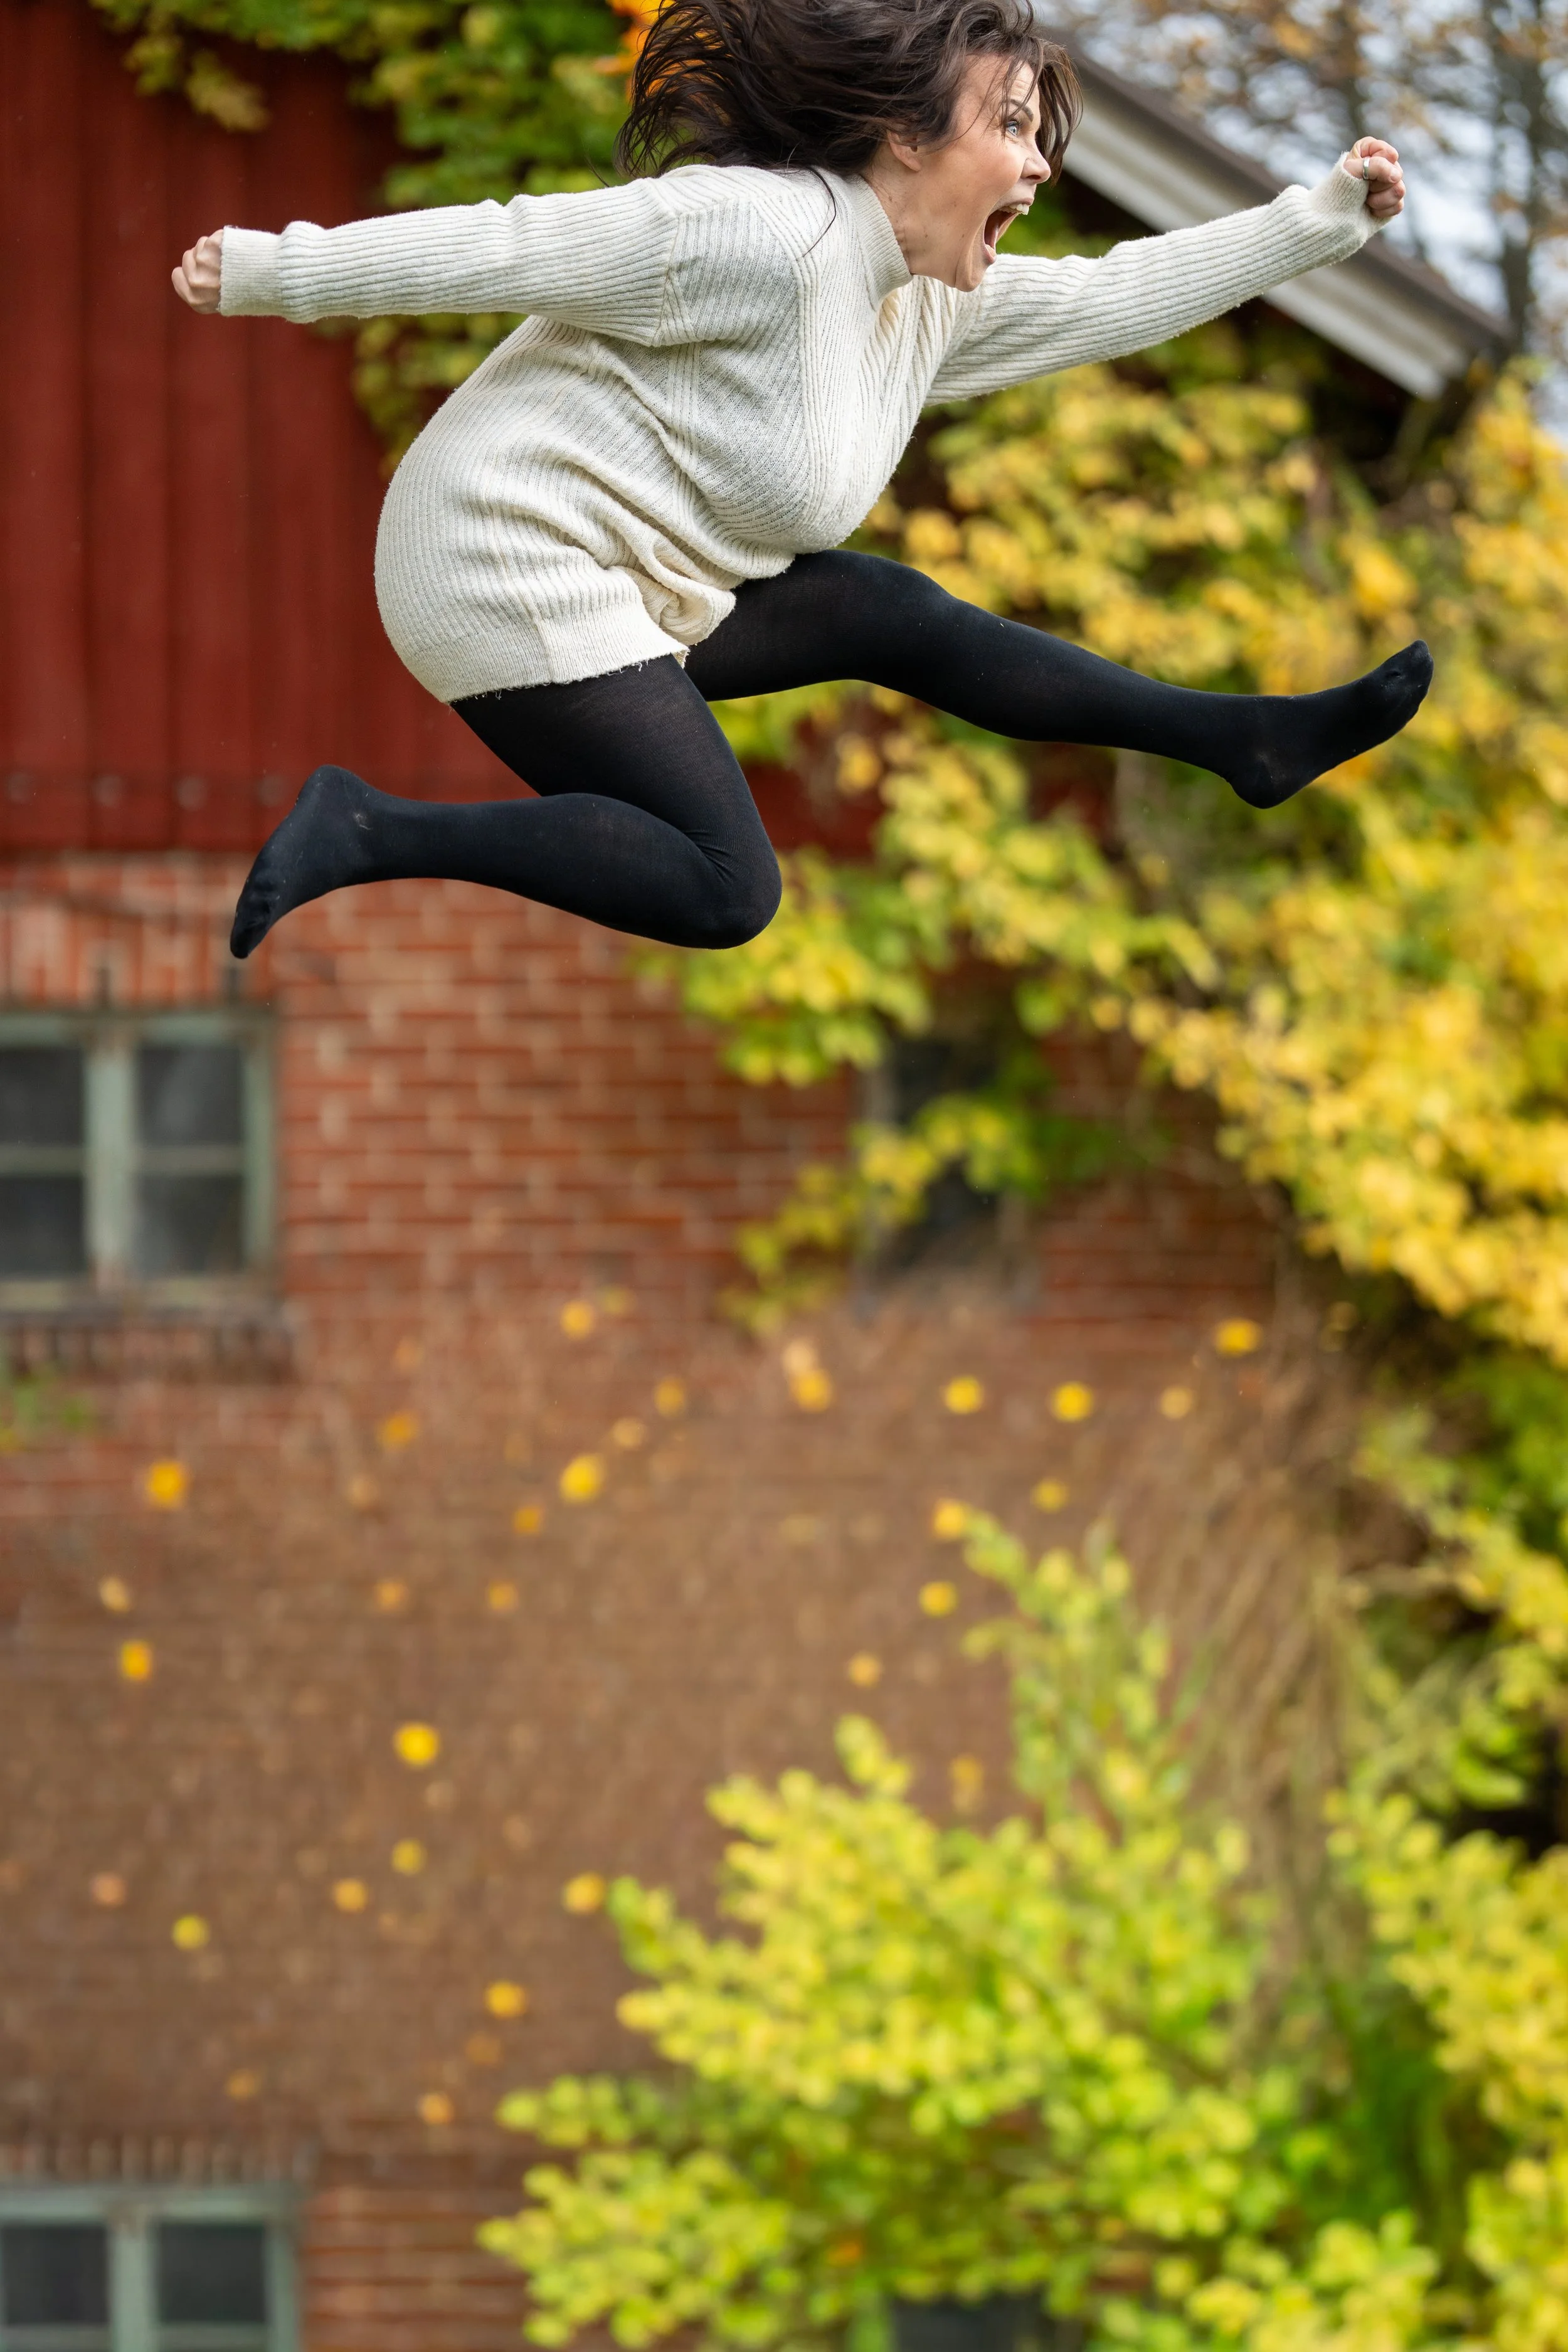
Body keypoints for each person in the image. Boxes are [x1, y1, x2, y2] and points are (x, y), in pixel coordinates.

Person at [172, 0, 1423, 960]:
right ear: (901, 134)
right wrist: (281, 272)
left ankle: (1239, 739)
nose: (1037, 167)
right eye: (1008, 129)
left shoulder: (921, 302)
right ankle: (363, 828)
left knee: (888, 613)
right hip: (502, 552)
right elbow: (516, 243)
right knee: (727, 886)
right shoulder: (758, 234)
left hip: (639, 578)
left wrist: (1313, 224)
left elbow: (1112, 294)